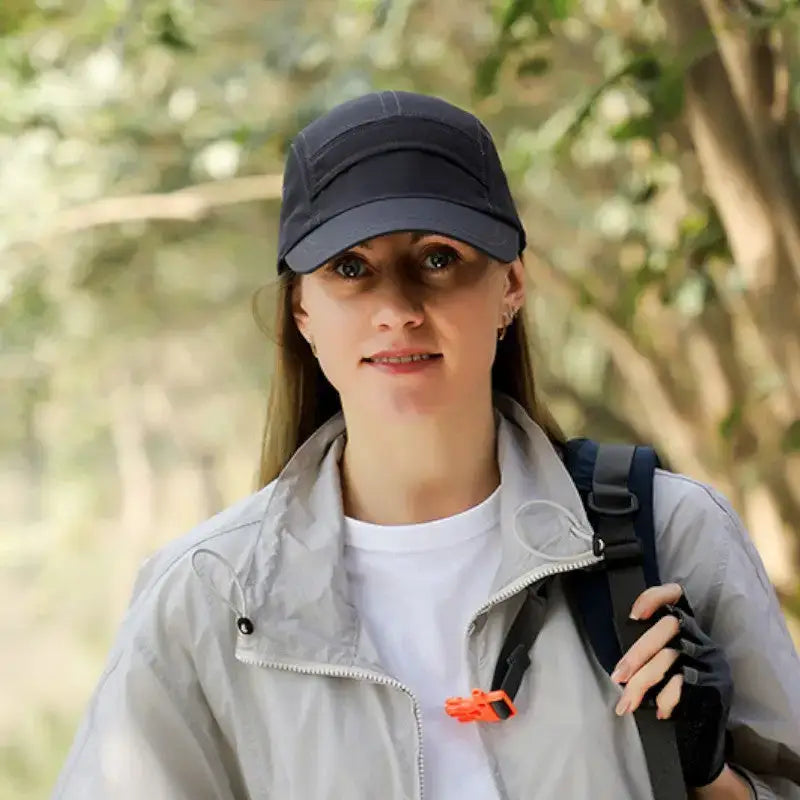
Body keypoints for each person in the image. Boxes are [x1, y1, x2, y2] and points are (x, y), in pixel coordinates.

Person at [52, 91, 800, 800]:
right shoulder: (209, 596)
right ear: (302, 311)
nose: (398, 310)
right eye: (351, 268)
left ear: (510, 285)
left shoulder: (670, 534)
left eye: (438, 258)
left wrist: (707, 773)